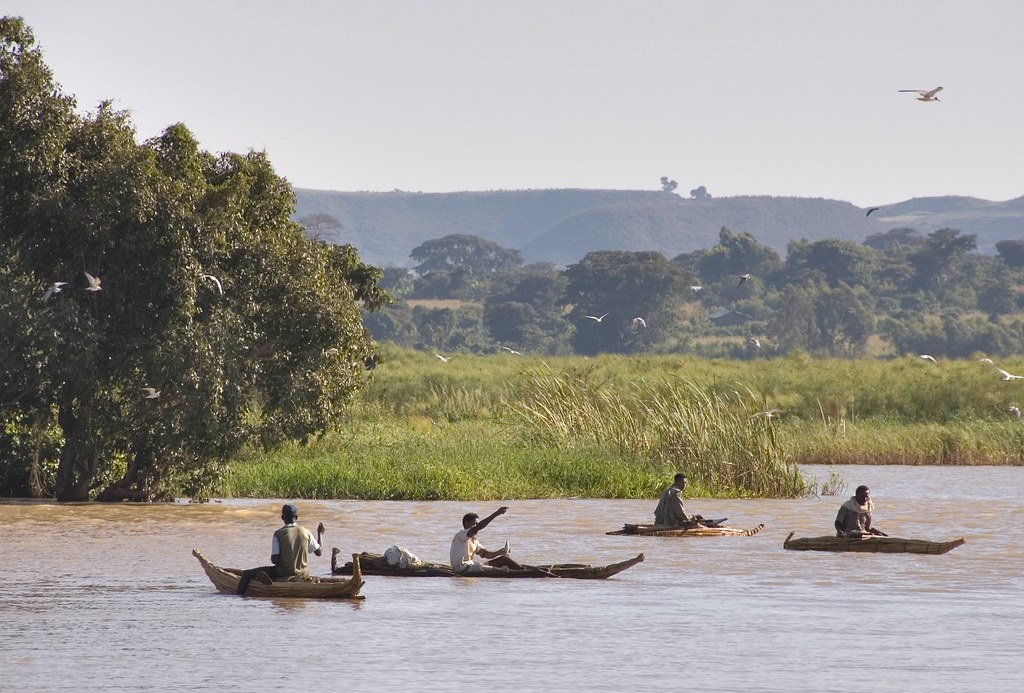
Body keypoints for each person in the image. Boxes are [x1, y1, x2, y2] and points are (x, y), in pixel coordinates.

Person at [235, 503, 325, 595]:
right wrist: (320, 534)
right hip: (303, 574)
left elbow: (274, 560)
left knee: (247, 574)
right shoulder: (306, 532)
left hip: (283, 573)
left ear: (282, 517)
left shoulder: (278, 534)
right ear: (296, 517)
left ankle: (236, 598)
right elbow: (319, 552)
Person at [449, 506, 523, 573]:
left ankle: (523, 570)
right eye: (474, 523)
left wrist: (499, 552)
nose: (476, 526)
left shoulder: (474, 540)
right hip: (462, 568)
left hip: (472, 566)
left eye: (477, 524)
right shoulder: (461, 535)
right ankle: (514, 572)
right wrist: (496, 514)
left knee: (503, 559)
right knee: (503, 571)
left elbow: (486, 554)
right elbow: (477, 528)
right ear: (466, 524)